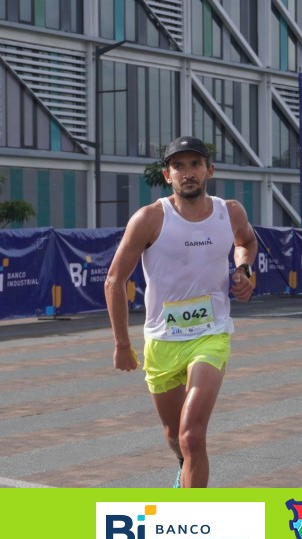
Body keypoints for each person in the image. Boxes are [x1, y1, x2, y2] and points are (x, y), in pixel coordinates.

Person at [104, 135, 257, 488]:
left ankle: (189, 517)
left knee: (192, 435)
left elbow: (246, 241)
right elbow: (114, 281)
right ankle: (182, 464)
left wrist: (244, 269)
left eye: (195, 164)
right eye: (178, 166)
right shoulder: (149, 219)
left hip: (210, 334)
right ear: (166, 175)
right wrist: (122, 344)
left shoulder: (230, 212)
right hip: (162, 341)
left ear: (209, 170)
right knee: (175, 435)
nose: (187, 172)